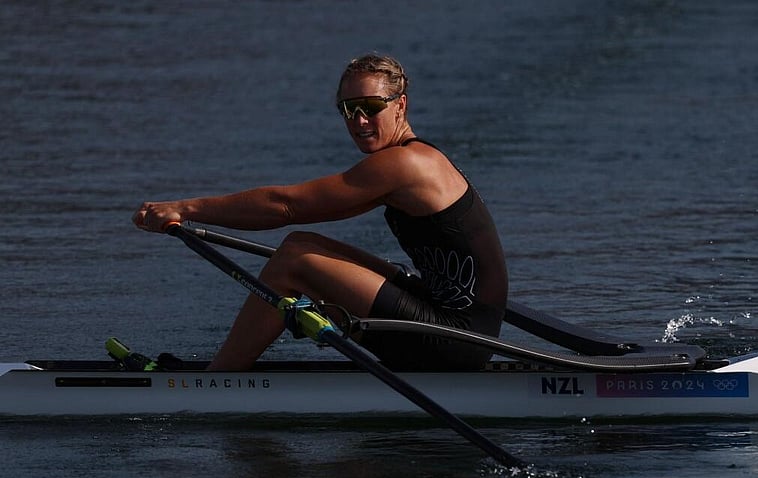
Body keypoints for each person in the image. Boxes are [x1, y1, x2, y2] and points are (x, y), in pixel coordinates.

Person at [132, 53, 508, 372]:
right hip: (457, 325)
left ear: (400, 106)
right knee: (303, 244)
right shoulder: (414, 160)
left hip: (455, 340)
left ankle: (215, 382)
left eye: (371, 107)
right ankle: (227, 370)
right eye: (348, 109)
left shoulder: (405, 164)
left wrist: (185, 208)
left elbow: (286, 206)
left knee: (293, 259)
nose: (359, 121)